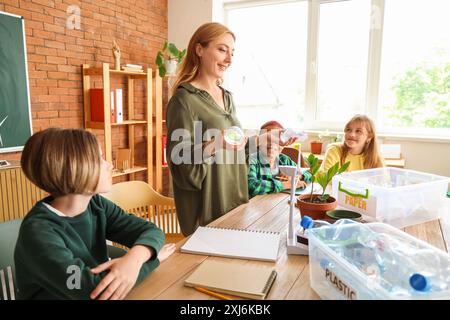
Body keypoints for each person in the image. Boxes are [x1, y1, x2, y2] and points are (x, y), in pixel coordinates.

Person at [14, 128, 176, 300]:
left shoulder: (95, 204)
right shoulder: (38, 233)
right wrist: (154, 259)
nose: (110, 165)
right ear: (74, 169)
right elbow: (93, 291)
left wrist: (134, 260)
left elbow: (151, 230)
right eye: (99, 159)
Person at [166, 23, 295, 236]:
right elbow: (180, 163)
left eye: (232, 52)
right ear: (199, 50)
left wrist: (267, 139)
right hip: (207, 211)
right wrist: (215, 143)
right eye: (222, 49)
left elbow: (237, 148)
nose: (229, 59)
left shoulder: (227, 97)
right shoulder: (183, 100)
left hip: (235, 201)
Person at [248, 121, 312, 198]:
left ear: (282, 146)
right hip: (256, 206)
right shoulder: (252, 160)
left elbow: (309, 175)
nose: (271, 143)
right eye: (267, 139)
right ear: (259, 143)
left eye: (276, 140)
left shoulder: (284, 160)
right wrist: (284, 185)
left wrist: (297, 176)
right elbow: (252, 186)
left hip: (279, 202)